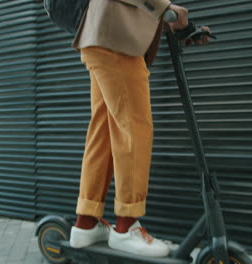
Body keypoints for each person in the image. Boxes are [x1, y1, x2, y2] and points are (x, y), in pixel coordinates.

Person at [68, 0, 211, 257]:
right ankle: (126, 227)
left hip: (102, 37)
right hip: (116, 42)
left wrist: (173, 21)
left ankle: (86, 223)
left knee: (103, 135)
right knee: (135, 130)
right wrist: (164, 7)